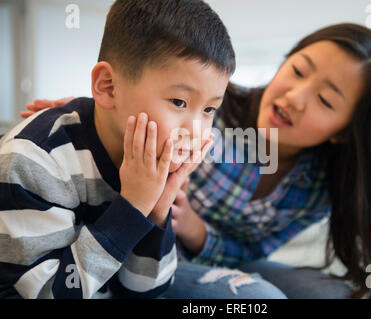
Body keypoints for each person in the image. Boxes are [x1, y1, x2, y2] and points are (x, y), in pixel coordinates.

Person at [21, 23, 371, 299]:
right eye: (297, 70)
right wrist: (92, 114)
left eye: (326, 101)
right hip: (143, 252)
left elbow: (250, 253)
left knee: (333, 293)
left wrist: (195, 230)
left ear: (345, 130)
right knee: (263, 297)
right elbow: (143, 102)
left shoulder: (318, 189)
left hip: (195, 254)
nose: (294, 96)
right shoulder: (210, 106)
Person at [0, 0, 242, 299]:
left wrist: (157, 210)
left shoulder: (158, 161)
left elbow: (145, 291)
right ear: (108, 87)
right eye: (179, 102)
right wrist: (132, 206)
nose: (195, 130)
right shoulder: (37, 158)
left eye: (208, 109)